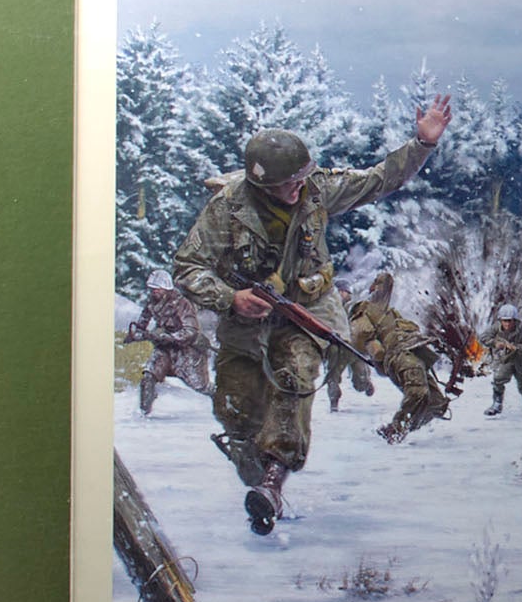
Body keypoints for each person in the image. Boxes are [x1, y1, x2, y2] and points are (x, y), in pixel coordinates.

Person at [172, 95, 452, 532]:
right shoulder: (227, 209)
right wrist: (231, 298)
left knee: (297, 374)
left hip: (308, 308)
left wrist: (422, 143)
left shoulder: (316, 189)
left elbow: (378, 179)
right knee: (234, 410)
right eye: (290, 183)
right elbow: (187, 268)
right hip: (246, 319)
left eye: (303, 178)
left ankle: (273, 482)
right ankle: (257, 469)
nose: (300, 188)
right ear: (263, 185)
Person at [349, 271, 452, 442]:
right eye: (380, 284)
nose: (385, 289)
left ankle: (403, 427)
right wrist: (375, 349)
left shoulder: (393, 313)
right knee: (418, 391)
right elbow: (361, 336)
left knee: (437, 404)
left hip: (412, 350)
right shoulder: (364, 310)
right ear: (373, 288)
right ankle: (396, 429)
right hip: (396, 353)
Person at [126, 269, 213, 415]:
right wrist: (137, 335)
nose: (154, 292)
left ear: (166, 288)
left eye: (157, 288)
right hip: (164, 349)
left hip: (187, 350)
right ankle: (143, 413)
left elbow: (191, 330)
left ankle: (226, 406)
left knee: (201, 387)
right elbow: (142, 324)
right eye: (152, 288)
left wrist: (169, 336)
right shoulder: (152, 303)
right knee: (148, 376)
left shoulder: (181, 304)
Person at [479, 303, 522, 416]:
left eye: (509, 321)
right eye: (504, 320)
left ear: (514, 320)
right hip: (506, 358)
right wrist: (495, 343)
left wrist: (515, 347)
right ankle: (497, 404)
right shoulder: (496, 327)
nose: (506, 323)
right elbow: (483, 337)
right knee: (498, 378)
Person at [323, 288, 375, 411]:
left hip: (353, 348)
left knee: (360, 382)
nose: (341, 293)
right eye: (339, 291)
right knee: (333, 377)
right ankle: (334, 402)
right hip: (336, 348)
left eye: (344, 291)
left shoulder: (352, 306)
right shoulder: (329, 305)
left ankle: (366, 384)